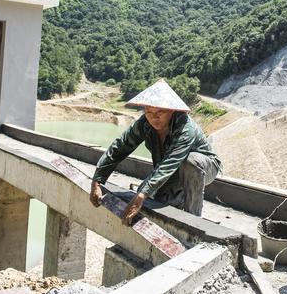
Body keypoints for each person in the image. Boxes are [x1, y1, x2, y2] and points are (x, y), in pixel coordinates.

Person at [89, 78, 222, 224]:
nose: (154, 117)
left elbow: (170, 161)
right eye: (149, 112)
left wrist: (141, 194)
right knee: (160, 203)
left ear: (172, 109)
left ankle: (194, 221)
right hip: (174, 168)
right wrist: (97, 181)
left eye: (160, 111)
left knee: (190, 162)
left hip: (204, 166)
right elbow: (121, 146)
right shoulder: (144, 123)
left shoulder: (185, 127)